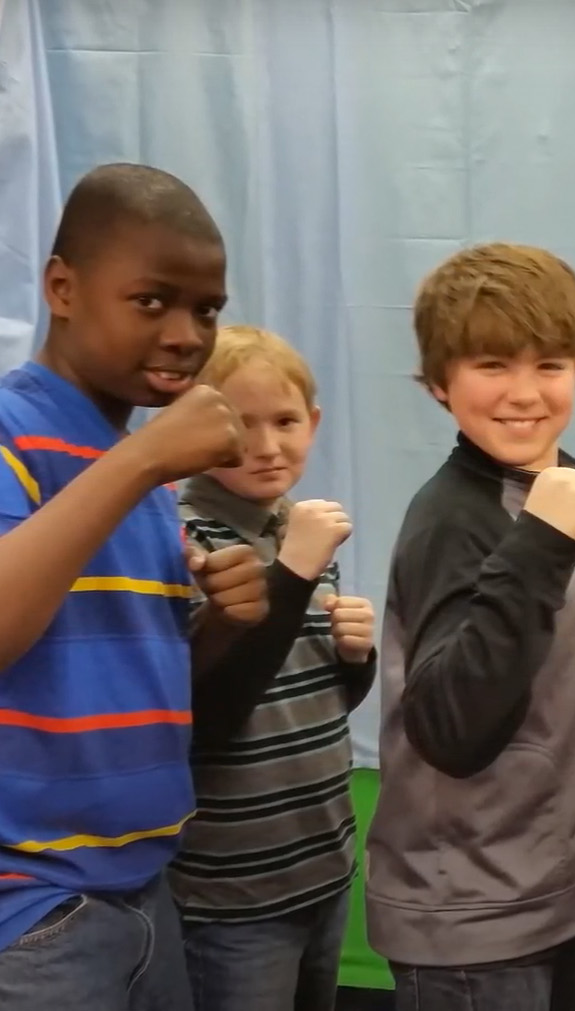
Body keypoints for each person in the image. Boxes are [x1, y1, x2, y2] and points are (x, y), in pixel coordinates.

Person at [365, 242, 575, 1011]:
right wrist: (540, 542)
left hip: (548, 892)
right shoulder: (453, 522)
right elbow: (450, 725)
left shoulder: (564, 492)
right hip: (470, 917)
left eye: (549, 365)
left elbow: (555, 656)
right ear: (440, 383)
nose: (523, 393)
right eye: (492, 365)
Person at [0, 163, 269, 1010]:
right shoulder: (18, 432)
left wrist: (222, 623)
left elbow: (137, 685)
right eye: (151, 300)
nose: (188, 332)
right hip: (33, 910)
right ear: (62, 287)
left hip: (144, 890)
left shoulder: (148, 481)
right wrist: (145, 456)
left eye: (207, 308)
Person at [168, 325, 377, 1011]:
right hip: (232, 890)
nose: (265, 446)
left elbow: (314, 700)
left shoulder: (298, 527)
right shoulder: (186, 539)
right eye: (239, 424)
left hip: (320, 864)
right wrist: (293, 572)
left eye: (285, 421)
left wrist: (356, 658)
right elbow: (210, 709)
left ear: (313, 422)